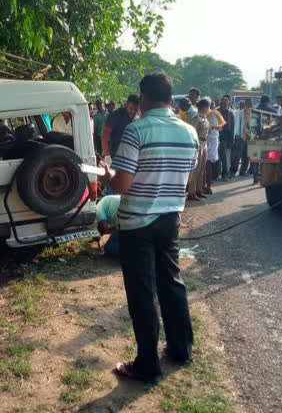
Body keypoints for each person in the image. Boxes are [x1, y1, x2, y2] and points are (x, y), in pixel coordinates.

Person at [99, 72, 197, 384]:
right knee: (171, 282)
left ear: (143, 97)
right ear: (171, 99)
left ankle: (147, 364)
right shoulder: (190, 132)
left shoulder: (136, 131)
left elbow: (123, 184)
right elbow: (189, 174)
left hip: (138, 221)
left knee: (142, 292)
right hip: (170, 218)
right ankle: (181, 348)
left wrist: (106, 176)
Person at [102, 94, 139, 164]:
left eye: (136, 110)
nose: (133, 112)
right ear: (126, 104)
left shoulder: (137, 118)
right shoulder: (115, 116)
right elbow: (104, 136)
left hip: (131, 157)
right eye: (131, 108)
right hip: (116, 157)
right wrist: (107, 156)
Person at [187, 98, 211, 201]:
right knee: (196, 170)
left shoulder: (205, 118)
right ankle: (191, 192)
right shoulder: (196, 118)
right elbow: (192, 132)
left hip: (204, 144)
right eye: (208, 107)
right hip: (198, 145)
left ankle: (199, 190)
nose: (209, 109)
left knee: (202, 169)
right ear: (204, 107)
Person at [205, 100, 226, 193]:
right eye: (211, 105)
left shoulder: (213, 114)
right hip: (211, 139)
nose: (212, 107)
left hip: (210, 139)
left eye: (213, 105)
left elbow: (219, 127)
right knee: (208, 163)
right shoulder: (212, 113)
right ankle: (207, 185)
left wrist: (213, 127)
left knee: (208, 163)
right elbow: (219, 127)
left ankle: (208, 186)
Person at [217, 95, 234, 180]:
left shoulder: (230, 113)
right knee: (217, 156)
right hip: (217, 135)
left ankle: (225, 174)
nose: (224, 105)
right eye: (222, 103)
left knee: (224, 156)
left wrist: (231, 139)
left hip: (225, 137)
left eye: (226, 103)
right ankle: (216, 174)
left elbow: (231, 127)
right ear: (220, 103)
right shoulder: (216, 112)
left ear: (228, 104)